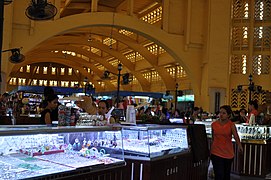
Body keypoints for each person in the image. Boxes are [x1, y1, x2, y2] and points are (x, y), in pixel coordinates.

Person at [210, 105, 243, 180]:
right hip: (216, 152)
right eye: (220, 112)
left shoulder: (231, 125)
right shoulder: (214, 125)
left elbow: (236, 136)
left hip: (228, 153)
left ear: (228, 115)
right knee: (219, 175)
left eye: (224, 113)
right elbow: (213, 138)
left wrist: (239, 146)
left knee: (226, 175)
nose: (221, 115)